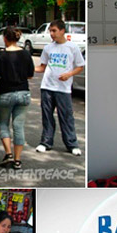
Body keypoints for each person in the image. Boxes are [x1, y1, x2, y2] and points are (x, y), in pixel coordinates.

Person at [34, 20, 85, 156]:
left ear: (62, 31)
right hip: (47, 86)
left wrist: (69, 74)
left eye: (54, 30)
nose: (51, 34)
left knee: (66, 116)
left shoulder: (72, 47)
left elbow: (80, 66)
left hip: (63, 88)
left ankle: (72, 144)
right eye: (50, 31)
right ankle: (46, 142)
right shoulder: (48, 48)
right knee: (47, 116)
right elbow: (42, 67)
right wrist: (28, 69)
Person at [0, 27, 35, 169]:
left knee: (4, 124)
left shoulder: (1, 55)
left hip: (6, 93)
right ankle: (18, 160)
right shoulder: (26, 54)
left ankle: (8, 154)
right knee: (19, 127)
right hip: (23, 93)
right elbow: (30, 75)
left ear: (5, 38)